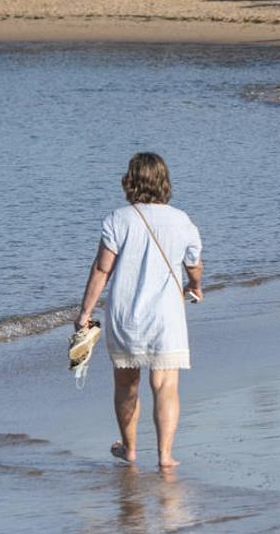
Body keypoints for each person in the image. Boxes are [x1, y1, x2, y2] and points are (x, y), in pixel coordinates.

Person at [75, 153, 204, 468]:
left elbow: (102, 270)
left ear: (130, 181)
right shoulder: (182, 220)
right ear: (164, 181)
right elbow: (194, 263)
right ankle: (165, 456)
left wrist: (84, 313)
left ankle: (130, 449)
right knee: (165, 385)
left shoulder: (118, 219)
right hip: (166, 317)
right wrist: (195, 284)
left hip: (126, 314)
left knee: (126, 383)